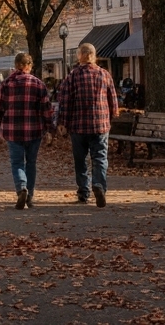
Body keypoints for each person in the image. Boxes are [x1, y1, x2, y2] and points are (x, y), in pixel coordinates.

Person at [54, 43, 118, 207]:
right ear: (94, 56)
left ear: (79, 56)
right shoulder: (105, 75)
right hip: (100, 125)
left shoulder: (72, 76)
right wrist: (110, 117)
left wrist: (63, 123)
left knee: (80, 160)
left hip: (78, 126)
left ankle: (83, 192)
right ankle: (99, 185)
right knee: (100, 158)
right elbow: (113, 100)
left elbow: (65, 101)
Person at [0, 52, 52, 209]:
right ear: (29, 66)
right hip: (34, 130)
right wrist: (49, 128)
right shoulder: (39, 84)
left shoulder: (5, 85)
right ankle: (29, 195)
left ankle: (21, 188)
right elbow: (46, 109)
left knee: (17, 162)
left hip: (13, 131)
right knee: (31, 162)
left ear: (15, 66)